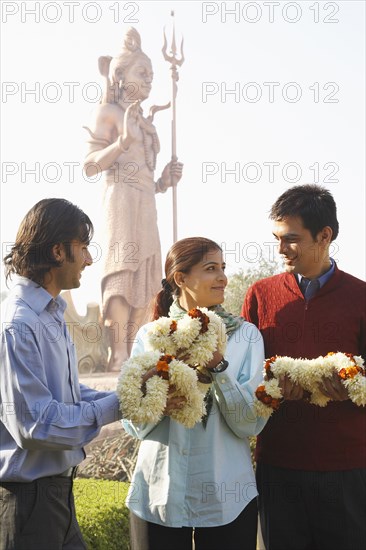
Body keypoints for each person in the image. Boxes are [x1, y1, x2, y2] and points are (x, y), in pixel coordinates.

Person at [242, 184, 366, 550]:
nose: (280, 250)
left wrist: (353, 386)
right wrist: (270, 390)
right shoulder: (259, 296)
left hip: (347, 467)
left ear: (324, 236)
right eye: (277, 239)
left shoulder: (361, 298)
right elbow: (244, 378)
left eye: (291, 239)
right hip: (279, 465)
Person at [122, 237, 267, 550]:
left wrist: (218, 366)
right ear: (181, 278)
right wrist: (157, 403)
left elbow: (250, 423)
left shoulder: (245, 337)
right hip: (158, 494)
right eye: (211, 268)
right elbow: (132, 423)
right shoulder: (151, 336)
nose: (223, 278)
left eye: (223, 268)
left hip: (227, 497)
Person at [0, 198, 122, 550]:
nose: (88, 259)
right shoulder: (18, 324)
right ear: (57, 251)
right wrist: (118, 405)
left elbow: (68, 393)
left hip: (55, 497)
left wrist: (128, 395)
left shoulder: (50, 314)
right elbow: (36, 425)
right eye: (82, 247)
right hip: (29, 503)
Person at [83, 27, 183, 371]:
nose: (150, 79)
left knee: (149, 275)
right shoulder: (109, 113)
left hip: (146, 204)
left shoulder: (146, 121)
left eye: (152, 74)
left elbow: (146, 177)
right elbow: (91, 165)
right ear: (120, 75)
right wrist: (122, 142)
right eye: (143, 72)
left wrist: (163, 182)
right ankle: (119, 352)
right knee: (121, 273)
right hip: (119, 202)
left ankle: (141, 345)